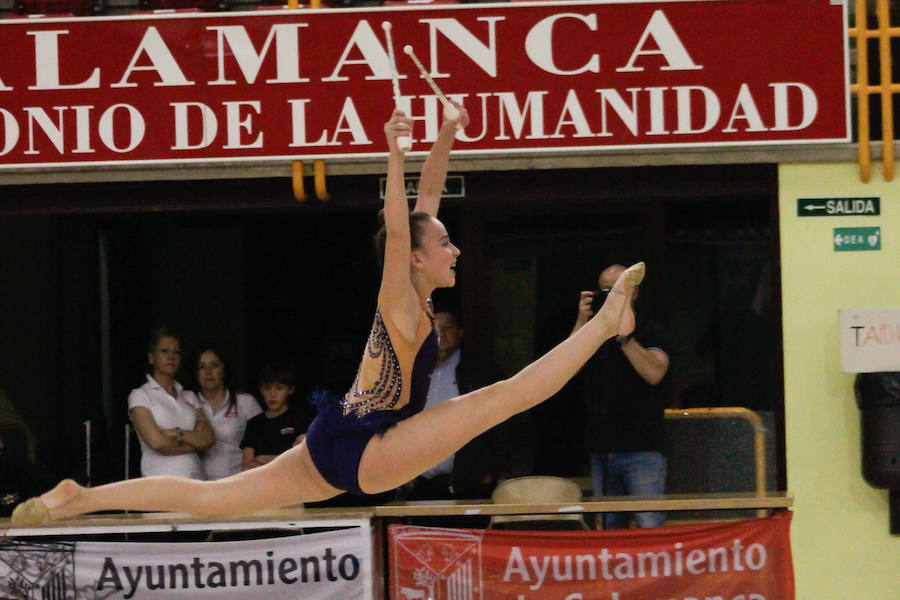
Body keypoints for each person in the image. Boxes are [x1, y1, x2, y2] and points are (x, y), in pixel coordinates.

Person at [10, 105, 644, 527]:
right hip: (371, 449)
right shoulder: (400, 294)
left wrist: (445, 134)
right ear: (420, 258)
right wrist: (393, 151)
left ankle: (80, 498)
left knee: (212, 500)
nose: (456, 249)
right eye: (446, 244)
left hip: (333, 438)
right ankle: (604, 325)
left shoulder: (415, 295)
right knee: (503, 397)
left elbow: (423, 207)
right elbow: (403, 225)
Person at [572, 264, 672, 529]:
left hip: (643, 447)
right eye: (605, 291)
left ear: (634, 293)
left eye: (617, 291)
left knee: (649, 523)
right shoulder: (591, 335)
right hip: (602, 447)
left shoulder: (651, 331)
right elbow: (566, 370)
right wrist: (583, 322)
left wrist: (625, 337)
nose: (610, 297)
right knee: (608, 528)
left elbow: (654, 373)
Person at [402, 309, 532, 500]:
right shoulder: (408, 375)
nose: (441, 334)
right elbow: (392, 424)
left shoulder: (481, 372)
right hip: (421, 486)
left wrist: (497, 471)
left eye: (448, 327)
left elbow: (509, 421)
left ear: (460, 332)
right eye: (434, 328)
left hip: (471, 486)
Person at [127, 328, 214, 480]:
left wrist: (177, 434)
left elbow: (208, 438)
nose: (171, 356)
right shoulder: (140, 395)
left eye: (176, 352)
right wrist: (195, 442)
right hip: (161, 483)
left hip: (196, 480)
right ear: (151, 357)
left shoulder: (189, 396)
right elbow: (157, 443)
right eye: (164, 351)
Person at [192, 346, 262, 480]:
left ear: (224, 371)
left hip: (238, 483)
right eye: (202, 367)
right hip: (200, 486)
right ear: (196, 373)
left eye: (215, 365)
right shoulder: (188, 404)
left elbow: (265, 441)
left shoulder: (245, 402)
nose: (208, 371)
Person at [241, 361, 312, 470]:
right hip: (262, 485)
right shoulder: (254, 424)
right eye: (267, 388)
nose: (272, 394)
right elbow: (246, 466)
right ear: (260, 390)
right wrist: (281, 460)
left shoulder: (300, 419)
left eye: (279, 388)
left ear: (290, 389)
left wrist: (262, 458)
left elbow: (300, 460)